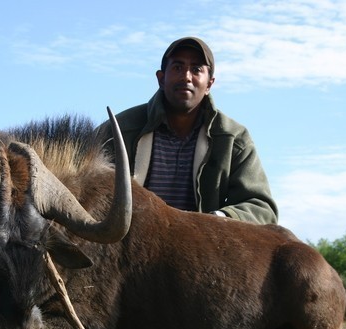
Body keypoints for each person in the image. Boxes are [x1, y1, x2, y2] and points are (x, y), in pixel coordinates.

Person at [101, 37, 277, 224]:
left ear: (209, 84)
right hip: (128, 247)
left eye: (196, 69)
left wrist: (219, 220)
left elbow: (262, 208)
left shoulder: (234, 138)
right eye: (177, 67)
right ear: (161, 79)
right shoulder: (118, 129)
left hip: (201, 248)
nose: (186, 76)